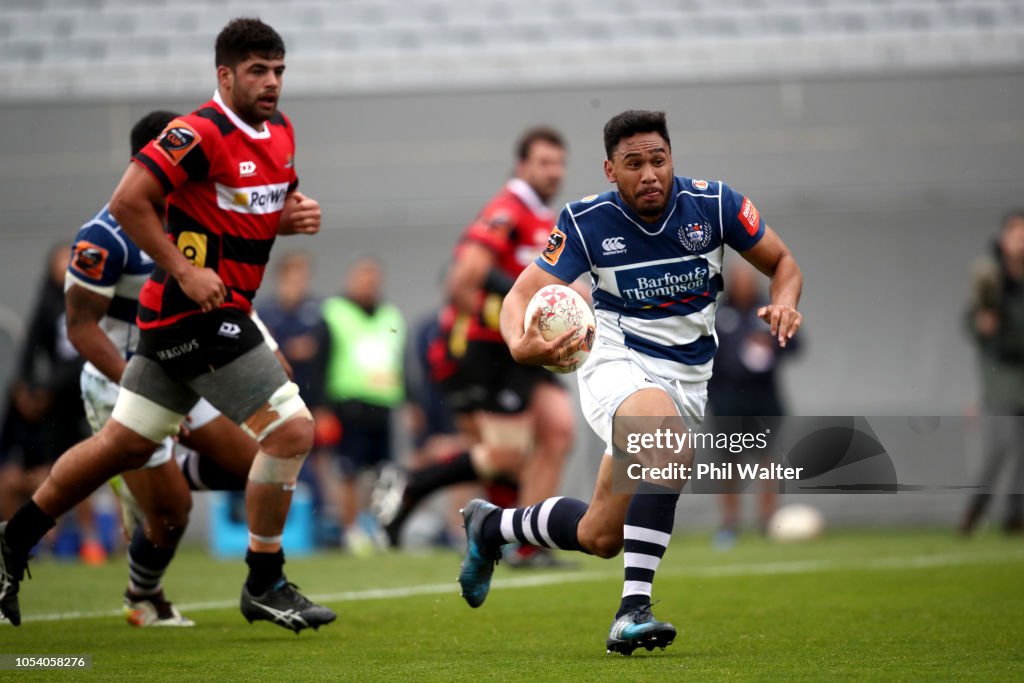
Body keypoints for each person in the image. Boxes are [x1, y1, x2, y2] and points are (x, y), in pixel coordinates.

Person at [0, 18, 335, 633]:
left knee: (120, 447)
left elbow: (250, 206)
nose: (271, 82)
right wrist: (184, 269)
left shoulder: (280, 132)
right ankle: (265, 581)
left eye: (278, 70)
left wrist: (290, 216)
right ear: (224, 75)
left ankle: (11, 541)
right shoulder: (198, 131)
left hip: (184, 320)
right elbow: (130, 199)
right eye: (257, 70)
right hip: (196, 315)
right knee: (290, 431)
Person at [456, 110, 803, 655]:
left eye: (658, 160)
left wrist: (783, 302)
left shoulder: (715, 205)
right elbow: (521, 294)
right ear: (610, 170)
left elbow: (782, 261)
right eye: (634, 164)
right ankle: (631, 611)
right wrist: (519, 341)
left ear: (672, 161)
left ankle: (491, 527)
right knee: (669, 448)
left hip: (687, 378)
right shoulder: (585, 221)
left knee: (600, 534)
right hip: (615, 359)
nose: (649, 174)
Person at [65, 110, 295, 626]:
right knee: (171, 517)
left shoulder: (195, 222)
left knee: (253, 461)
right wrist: (134, 385)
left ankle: (164, 475)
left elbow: (227, 293)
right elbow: (80, 327)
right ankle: (142, 595)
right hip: (122, 381)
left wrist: (266, 343)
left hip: (187, 367)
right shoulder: (105, 236)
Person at [377, 128, 576, 563]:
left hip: (521, 350)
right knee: (507, 455)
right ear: (522, 166)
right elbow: (463, 279)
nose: (553, 171)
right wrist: (520, 307)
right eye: (544, 162)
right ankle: (417, 485)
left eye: (559, 163)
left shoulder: (546, 217)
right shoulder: (508, 210)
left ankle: (529, 543)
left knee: (558, 431)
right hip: (486, 351)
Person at [0, 244, 105, 565]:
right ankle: (36, 541)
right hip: (54, 402)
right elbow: (32, 347)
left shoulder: (90, 297)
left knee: (82, 468)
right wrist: (28, 386)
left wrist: (49, 386)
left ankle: (91, 539)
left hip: (82, 391)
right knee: (49, 470)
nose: (65, 266)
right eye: (59, 260)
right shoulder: (46, 304)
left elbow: (85, 351)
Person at [311, 256, 406, 554]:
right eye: (363, 277)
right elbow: (320, 362)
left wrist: (410, 400)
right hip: (348, 403)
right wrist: (321, 407)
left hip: (383, 402)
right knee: (348, 471)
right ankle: (350, 531)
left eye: (373, 277)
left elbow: (398, 361)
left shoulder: (390, 315)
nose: (369, 284)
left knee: (381, 473)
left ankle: (377, 527)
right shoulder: (333, 312)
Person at [706, 260, 801, 547]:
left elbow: (796, 345)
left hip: (763, 399)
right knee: (728, 465)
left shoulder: (768, 311)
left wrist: (771, 342)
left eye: (749, 281)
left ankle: (767, 520)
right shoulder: (718, 313)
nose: (744, 286)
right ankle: (730, 523)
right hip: (725, 400)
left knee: (766, 461)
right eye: (739, 281)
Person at [959, 210, 1024, 535]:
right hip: (1002, 372)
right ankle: (975, 511)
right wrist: (982, 323)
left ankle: (1016, 515)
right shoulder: (992, 275)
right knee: (1004, 443)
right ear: (1004, 239)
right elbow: (971, 322)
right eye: (1015, 233)